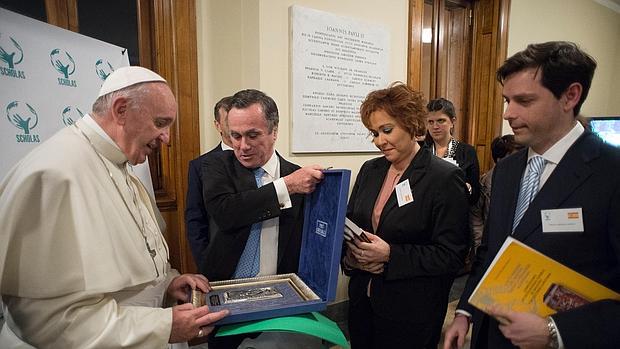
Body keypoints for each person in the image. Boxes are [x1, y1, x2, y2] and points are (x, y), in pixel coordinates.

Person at [0, 66, 229, 348]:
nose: (167, 138)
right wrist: (163, 325)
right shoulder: (56, 174)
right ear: (121, 110)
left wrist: (167, 284)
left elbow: (131, 277)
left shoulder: (119, 165)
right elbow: (47, 321)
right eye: (160, 123)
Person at [443, 41, 620, 349]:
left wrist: (556, 331)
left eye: (523, 101)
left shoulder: (611, 173)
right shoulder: (507, 169)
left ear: (570, 96)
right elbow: (491, 251)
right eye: (506, 100)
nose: (508, 114)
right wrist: (465, 311)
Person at [343, 82, 470, 348]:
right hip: (362, 303)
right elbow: (352, 225)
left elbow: (452, 254)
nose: (380, 141)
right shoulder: (370, 170)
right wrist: (353, 259)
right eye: (374, 133)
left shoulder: (443, 177)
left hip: (411, 311)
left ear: (411, 125)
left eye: (387, 130)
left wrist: (391, 255)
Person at [200, 88, 324, 348]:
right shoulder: (216, 166)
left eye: (253, 135)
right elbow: (226, 212)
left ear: (274, 131)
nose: (242, 146)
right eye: (235, 135)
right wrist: (285, 188)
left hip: (281, 300)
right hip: (226, 299)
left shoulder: (298, 177)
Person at [185, 95, 233, 274]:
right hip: (217, 263)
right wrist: (205, 263)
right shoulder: (199, 166)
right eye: (228, 121)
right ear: (217, 125)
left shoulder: (257, 161)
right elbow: (195, 220)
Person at [470, 135, 523, 254]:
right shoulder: (486, 182)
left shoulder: (528, 178)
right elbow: (476, 217)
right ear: (500, 159)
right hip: (492, 245)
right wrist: (480, 245)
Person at [426, 98, 481, 205]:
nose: (435, 126)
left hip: (456, 213)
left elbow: (476, 195)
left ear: (452, 122)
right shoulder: (422, 152)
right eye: (430, 122)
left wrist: (467, 188)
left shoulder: (467, 152)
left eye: (441, 121)